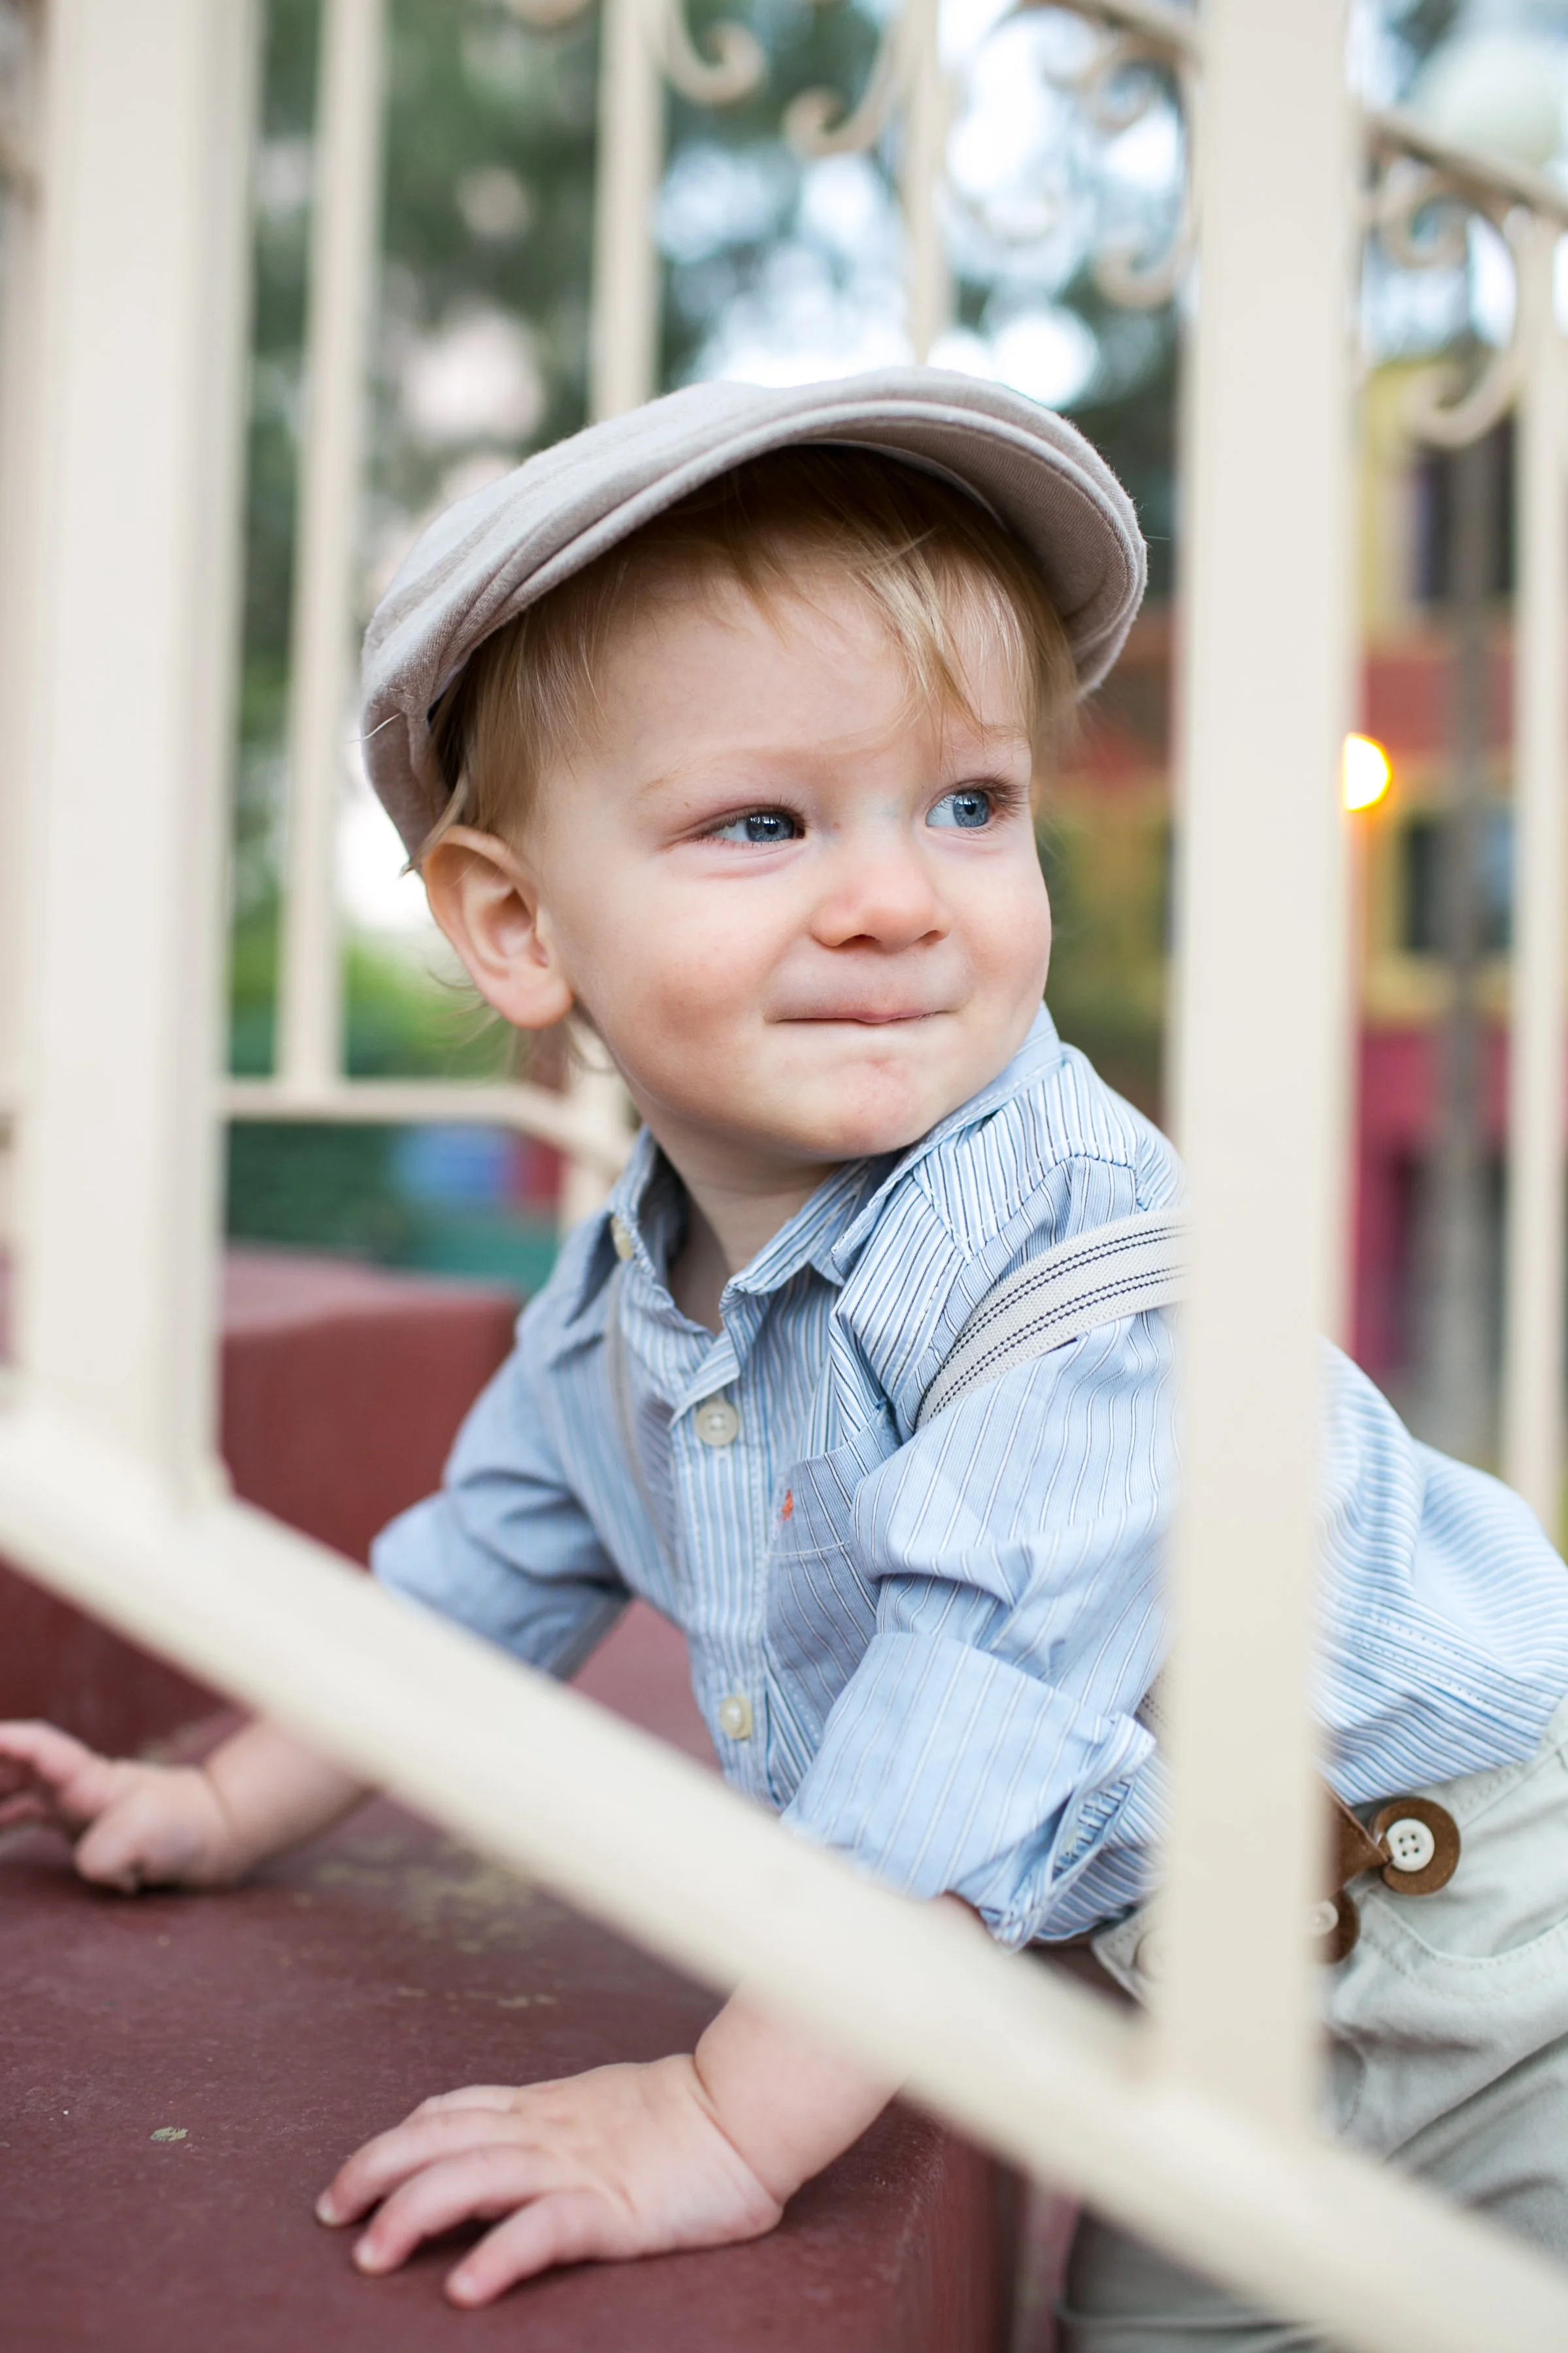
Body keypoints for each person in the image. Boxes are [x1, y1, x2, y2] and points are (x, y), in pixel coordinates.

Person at [4, 370, 1568, 2348]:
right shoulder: (614, 1311)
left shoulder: (1084, 1276)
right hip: (1199, 2028)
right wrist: (225, 1806)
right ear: (513, 924)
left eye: (968, 804)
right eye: (761, 819)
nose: (898, 897)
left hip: (1492, 1959)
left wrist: (719, 2119)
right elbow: (463, 1601)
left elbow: (957, 1741)